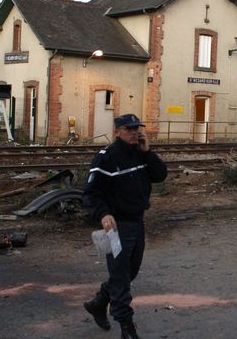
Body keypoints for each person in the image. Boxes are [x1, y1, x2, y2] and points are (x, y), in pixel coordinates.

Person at [83, 114, 168, 339]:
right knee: (121, 277)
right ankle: (127, 327)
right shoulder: (106, 157)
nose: (134, 132)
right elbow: (91, 193)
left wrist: (148, 152)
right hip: (117, 227)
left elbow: (160, 175)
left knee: (130, 272)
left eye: (136, 128)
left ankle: (99, 302)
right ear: (117, 131)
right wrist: (103, 214)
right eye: (129, 129)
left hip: (137, 222)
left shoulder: (139, 153)